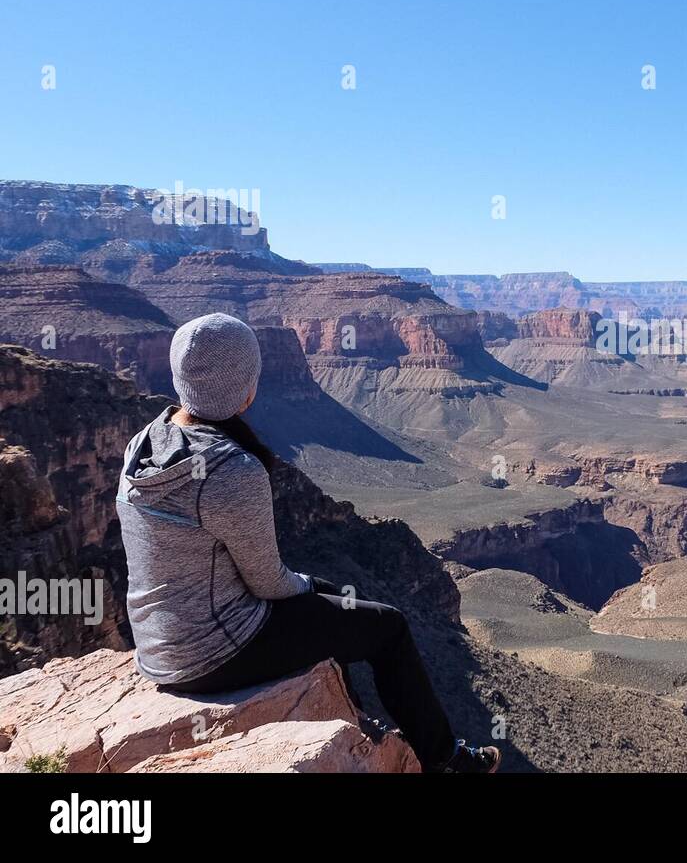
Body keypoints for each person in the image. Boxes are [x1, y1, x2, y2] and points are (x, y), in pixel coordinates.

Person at [116, 312, 499, 773]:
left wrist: (321, 592)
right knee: (389, 628)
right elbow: (268, 584)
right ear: (246, 386)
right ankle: (447, 760)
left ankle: (358, 717)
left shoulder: (144, 442)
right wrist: (313, 587)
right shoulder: (231, 471)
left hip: (157, 646)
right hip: (212, 653)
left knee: (336, 603)